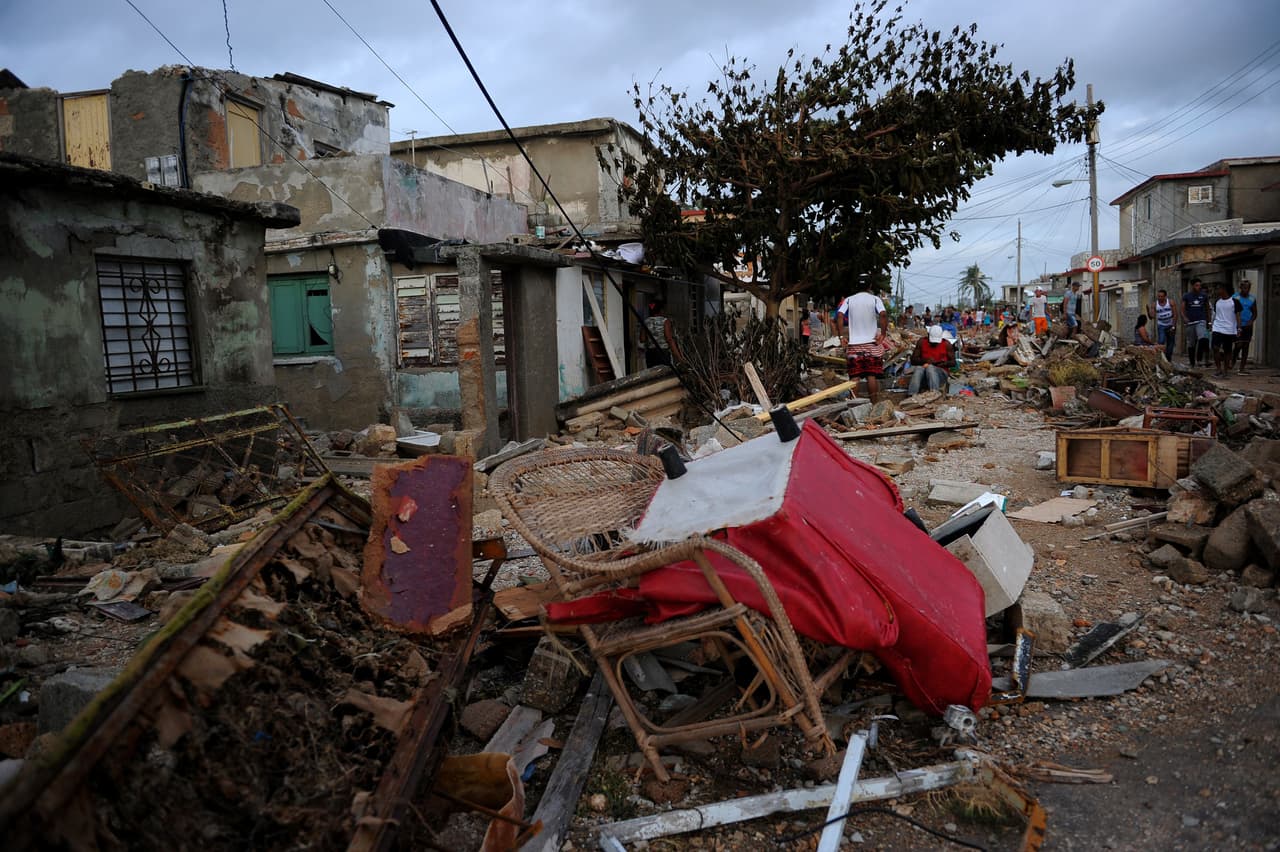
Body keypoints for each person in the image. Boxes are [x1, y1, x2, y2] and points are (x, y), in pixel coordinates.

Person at [836, 280, 889, 402]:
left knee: (855, 376)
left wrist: (841, 337)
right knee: (871, 375)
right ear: (870, 286)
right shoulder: (875, 299)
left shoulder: (849, 300)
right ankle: (874, 404)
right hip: (871, 343)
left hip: (854, 345)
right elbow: (883, 314)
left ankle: (853, 404)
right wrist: (883, 334)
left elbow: (839, 315)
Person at [906, 325, 955, 396]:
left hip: (941, 374)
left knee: (930, 368)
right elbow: (913, 360)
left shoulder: (946, 344)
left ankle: (934, 394)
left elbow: (953, 363)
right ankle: (911, 394)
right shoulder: (921, 342)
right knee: (919, 368)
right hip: (924, 374)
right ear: (928, 335)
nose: (934, 344)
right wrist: (925, 360)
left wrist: (941, 363)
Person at [1210, 281, 1241, 378]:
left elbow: (1238, 316)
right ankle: (1218, 369)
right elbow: (1215, 314)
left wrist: (1239, 328)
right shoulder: (1217, 302)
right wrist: (1212, 324)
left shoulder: (1234, 302)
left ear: (1224, 290)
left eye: (1219, 288)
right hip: (1217, 327)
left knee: (1228, 350)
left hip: (1229, 329)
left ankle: (1225, 370)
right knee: (1215, 348)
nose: (1217, 290)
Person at [1181, 278, 1210, 367]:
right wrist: (1184, 317)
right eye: (1197, 285)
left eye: (1200, 285)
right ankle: (1192, 362)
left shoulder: (1204, 296)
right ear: (1192, 286)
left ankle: (1200, 359)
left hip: (1201, 320)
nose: (1199, 287)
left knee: (1203, 337)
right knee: (1191, 343)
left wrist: (1209, 321)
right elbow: (1182, 309)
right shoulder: (1187, 296)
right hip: (1190, 322)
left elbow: (1207, 308)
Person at [643, 299, 680, 368]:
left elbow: (642, 339)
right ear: (661, 310)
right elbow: (669, 339)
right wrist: (679, 357)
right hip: (663, 353)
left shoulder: (646, 321)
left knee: (652, 375)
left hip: (650, 354)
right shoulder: (665, 321)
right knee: (665, 375)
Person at [1233, 279, 1258, 374]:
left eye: (1247, 288)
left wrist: (1251, 321)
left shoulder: (1252, 299)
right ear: (1240, 288)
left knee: (1246, 346)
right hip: (1238, 325)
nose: (1245, 290)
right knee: (1238, 345)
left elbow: (1255, 313)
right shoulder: (1235, 297)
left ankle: (1242, 367)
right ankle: (1233, 361)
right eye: (1244, 288)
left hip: (1247, 326)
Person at [1150, 288, 1177, 363]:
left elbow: (1175, 314)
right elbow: (1152, 316)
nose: (1160, 298)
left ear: (1165, 297)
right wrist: (1150, 313)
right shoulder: (1155, 304)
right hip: (1161, 325)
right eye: (1158, 296)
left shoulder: (1170, 302)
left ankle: (1168, 358)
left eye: (1162, 296)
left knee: (1170, 342)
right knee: (1161, 341)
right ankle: (1161, 358)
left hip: (1170, 324)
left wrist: (1173, 326)